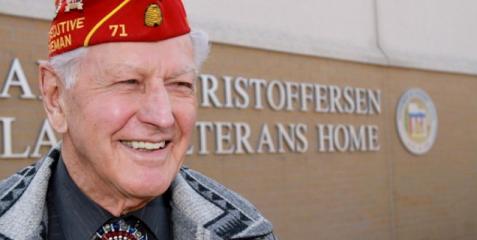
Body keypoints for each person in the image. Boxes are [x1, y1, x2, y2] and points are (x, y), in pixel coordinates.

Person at [0, 0, 276, 239]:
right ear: (55, 97)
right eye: (129, 82)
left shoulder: (246, 229)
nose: (163, 117)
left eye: (180, 84)